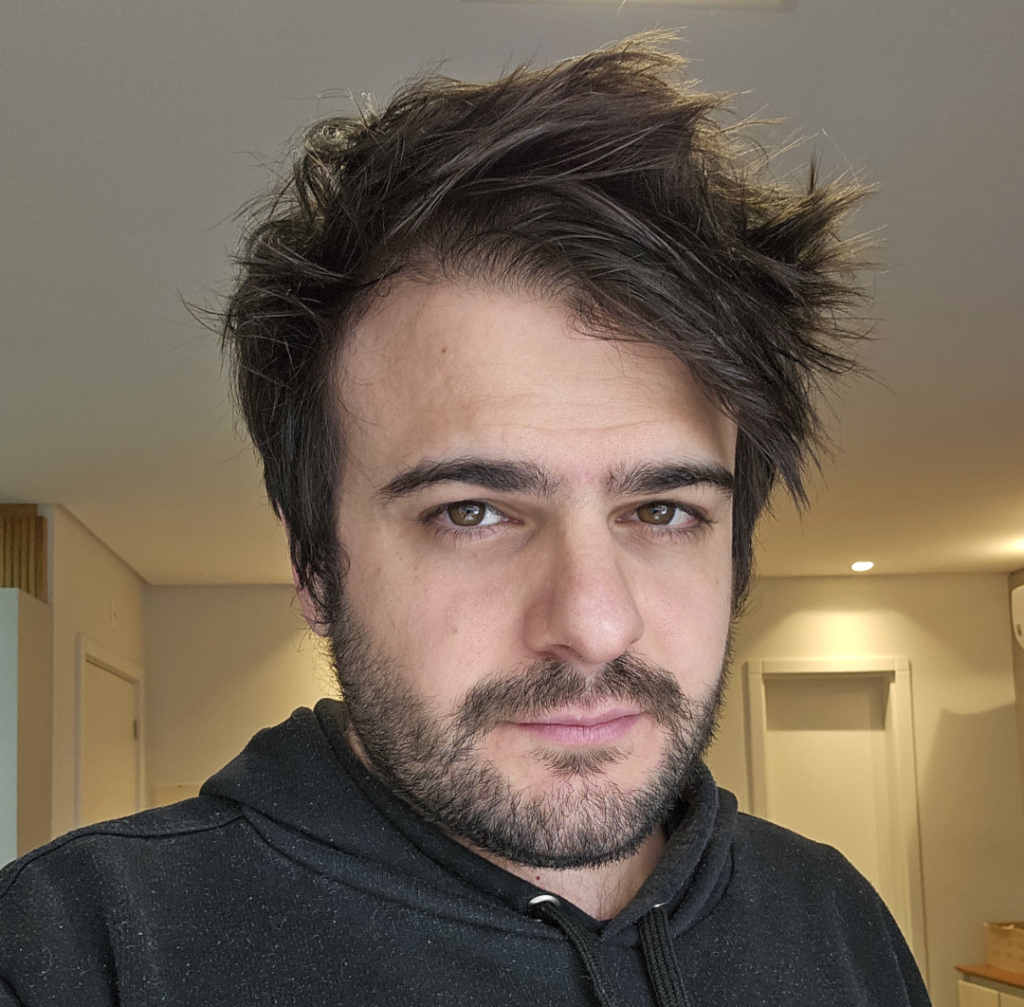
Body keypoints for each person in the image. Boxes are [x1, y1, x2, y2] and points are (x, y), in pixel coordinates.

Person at [0, 35, 930, 1007]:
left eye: (661, 508)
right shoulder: (73, 949)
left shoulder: (834, 914)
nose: (595, 621)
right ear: (317, 562)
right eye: (473, 511)